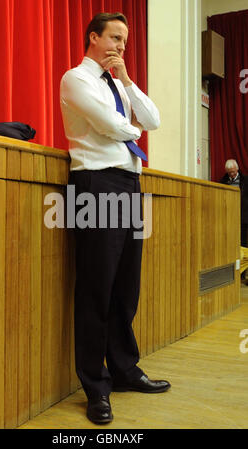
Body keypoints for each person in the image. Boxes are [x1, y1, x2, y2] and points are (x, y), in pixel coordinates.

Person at [60, 12, 171, 425]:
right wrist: (132, 128)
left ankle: (125, 370)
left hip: (129, 183)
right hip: (95, 183)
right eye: (114, 38)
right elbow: (112, 128)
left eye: (125, 40)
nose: (121, 46)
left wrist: (126, 81)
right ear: (93, 37)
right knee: (96, 288)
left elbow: (152, 120)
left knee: (127, 285)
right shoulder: (77, 78)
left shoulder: (118, 84)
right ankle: (95, 386)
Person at [220, 159, 248, 248]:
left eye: (233, 172)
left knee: (243, 239)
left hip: (243, 214)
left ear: (237, 169)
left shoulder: (246, 180)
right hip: (229, 214)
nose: (232, 174)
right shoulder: (223, 182)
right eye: (229, 173)